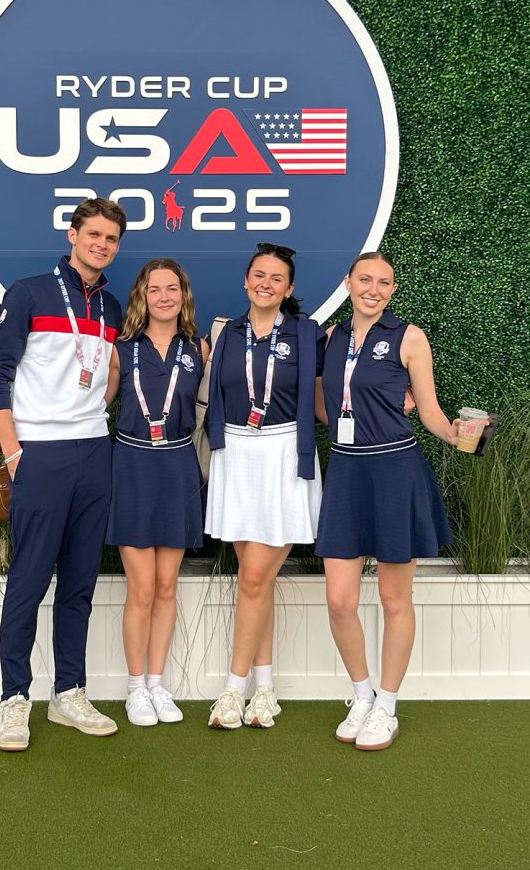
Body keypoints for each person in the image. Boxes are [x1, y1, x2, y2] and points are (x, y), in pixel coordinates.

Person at [0, 196, 126, 751]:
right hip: (39, 453)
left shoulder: (110, 306)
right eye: (94, 235)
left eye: (111, 239)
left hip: (93, 452)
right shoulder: (30, 293)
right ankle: (14, 699)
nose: (101, 245)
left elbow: (103, 373)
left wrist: (97, 405)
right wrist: (14, 453)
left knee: (80, 582)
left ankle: (69, 693)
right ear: (73, 234)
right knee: (29, 578)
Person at [315, 251, 458, 751]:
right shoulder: (330, 339)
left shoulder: (409, 337)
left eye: (384, 282)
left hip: (396, 470)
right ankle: (362, 695)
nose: (373, 289)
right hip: (346, 471)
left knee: (395, 599)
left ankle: (388, 706)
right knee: (339, 600)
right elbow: (325, 406)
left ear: (393, 290)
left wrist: (458, 435)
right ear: (348, 282)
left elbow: (431, 411)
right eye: (365, 280)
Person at [204, 243, 325, 729]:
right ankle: (266, 691)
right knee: (259, 581)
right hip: (236, 455)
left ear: (289, 289)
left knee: (253, 578)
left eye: (277, 278)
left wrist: (390, 395)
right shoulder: (226, 333)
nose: (266, 284)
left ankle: (233, 690)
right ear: (246, 280)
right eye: (259, 275)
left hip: (283, 455)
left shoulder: (308, 333)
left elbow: (340, 382)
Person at [105, 259, 208, 726]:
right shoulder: (120, 349)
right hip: (132, 465)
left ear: (183, 296)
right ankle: (134, 688)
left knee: (167, 586)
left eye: (172, 289)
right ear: (141, 298)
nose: (164, 297)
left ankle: (156, 684)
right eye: (154, 289)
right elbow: (96, 404)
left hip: (178, 466)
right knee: (142, 587)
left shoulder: (199, 349)